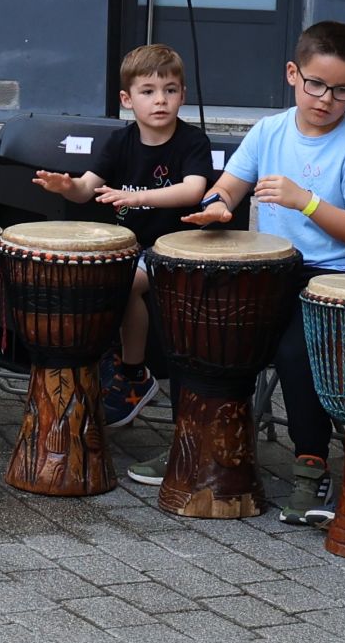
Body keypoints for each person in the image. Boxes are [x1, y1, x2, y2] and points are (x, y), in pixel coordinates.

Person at [181, 21, 345, 525]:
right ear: (293, 74)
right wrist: (217, 205)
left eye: (341, 91)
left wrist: (306, 200)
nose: (325, 99)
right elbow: (228, 186)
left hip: (331, 278)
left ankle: (311, 466)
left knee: (296, 350)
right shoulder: (270, 130)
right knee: (206, 322)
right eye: (315, 84)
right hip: (274, 268)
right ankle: (199, 441)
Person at [31, 43, 211, 477]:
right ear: (128, 100)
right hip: (130, 247)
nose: (161, 100)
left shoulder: (191, 140)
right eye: (148, 91)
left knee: (124, 282)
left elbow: (194, 190)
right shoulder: (120, 141)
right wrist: (66, 186)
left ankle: (133, 373)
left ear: (183, 95)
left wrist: (139, 195)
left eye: (170, 90)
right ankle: (102, 368)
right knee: (104, 278)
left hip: (176, 249)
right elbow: (88, 188)